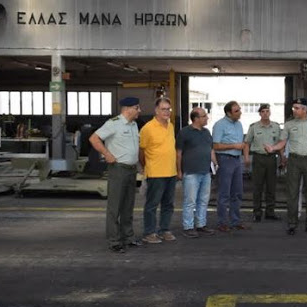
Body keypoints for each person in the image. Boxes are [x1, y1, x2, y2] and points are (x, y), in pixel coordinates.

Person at [265, 98, 307, 236]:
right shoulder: (289, 124)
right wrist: (272, 148)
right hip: (294, 160)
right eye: (293, 107)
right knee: (292, 192)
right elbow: (283, 142)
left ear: (305, 109)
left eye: (296, 108)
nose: (294, 110)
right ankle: (292, 223)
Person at [89, 97, 142, 253]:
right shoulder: (113, 123)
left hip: (131, 170)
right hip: (118, 169)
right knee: (115, 207)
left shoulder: (134, 125)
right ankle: (114, 241)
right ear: (127, 109)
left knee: (128, 205)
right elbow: (94, 138)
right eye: (137, 107)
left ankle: (128, 237)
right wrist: (106, 153)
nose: (140, 110)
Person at [139, 97, 177, 243]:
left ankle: (164, 230)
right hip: (155, 173)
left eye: (168, 109)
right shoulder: (147, 128)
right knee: (152, 205)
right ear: (156, 110)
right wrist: (146, 167)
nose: (167, 112)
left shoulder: (171, 126)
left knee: (168, 204)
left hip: (171, 172)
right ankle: (149, 233)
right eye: (163, 109)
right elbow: (141, 152)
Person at [176, 107, 218, 238]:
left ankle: (201, 224)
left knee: (203, 200)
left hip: (205, 172)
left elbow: (210, 150)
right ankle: (188, 227)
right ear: (196, 118)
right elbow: (178, 153)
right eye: (204, 116)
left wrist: (215, 163)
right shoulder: (184, 132)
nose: (207, 118)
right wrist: (179, 170)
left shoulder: (206, 132)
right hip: (191, 172)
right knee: (190, 201)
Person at [213, 101, 249, 232]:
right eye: (236, 111)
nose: (240, 113)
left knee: (237, 192)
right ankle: (222, 222)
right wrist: (234, 146)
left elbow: (243, 143)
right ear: (228, 113)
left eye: (239, 110)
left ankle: (235, 220)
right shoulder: (219, 125)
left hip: (236, 160)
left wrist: (244, 157)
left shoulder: (239, 124)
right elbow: (216, 146)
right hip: (225, 159)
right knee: (224, 193)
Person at [243, 103, 282, 222]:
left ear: (270, 113)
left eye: (267, 111)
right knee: (257, 186)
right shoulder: (254, 127)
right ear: (260, 113)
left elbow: (280, 144)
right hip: (259, 158)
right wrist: (246, 158)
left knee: (271, 186)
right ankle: (257, 212)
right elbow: (247, 143)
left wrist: (282, 158)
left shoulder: (275, 127)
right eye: (263, 111)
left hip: (271, 158)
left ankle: (270, 212)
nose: (265, 113)